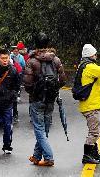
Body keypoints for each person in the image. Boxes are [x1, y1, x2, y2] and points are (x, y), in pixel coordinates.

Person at [23, 33, 67, 167]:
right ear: (48, 44)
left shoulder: (31, 61)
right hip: (50, 99)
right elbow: (63, 80)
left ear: (35, 44)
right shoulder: (56, 60)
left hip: (37, 99)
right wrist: (53, 90)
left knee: (39, 129)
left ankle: (48, 158)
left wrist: (35, 92)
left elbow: (28, 84)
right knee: (45, 128)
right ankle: (36, 156)